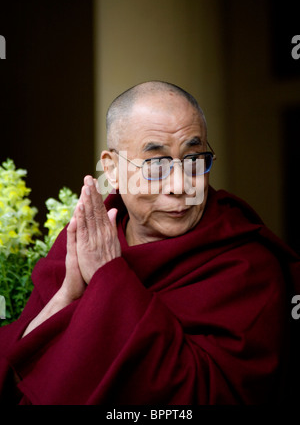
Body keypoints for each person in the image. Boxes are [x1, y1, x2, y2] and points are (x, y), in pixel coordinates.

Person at [0, 81, 299, 405]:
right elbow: (14, 374)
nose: (179, 185)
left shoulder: (245, 265)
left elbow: (210, 396)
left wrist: (109, 278)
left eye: (195, 160)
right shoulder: (87, 243)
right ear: (112, 169)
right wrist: (67, 296)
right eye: (156, 165)